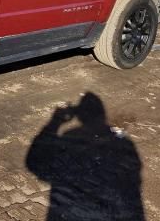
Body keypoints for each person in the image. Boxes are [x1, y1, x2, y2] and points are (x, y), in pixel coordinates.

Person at [26, 92, 145, 221]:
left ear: (80, 115)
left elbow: (35, 163)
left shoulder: (70, 137)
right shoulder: (124, 143)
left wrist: (55, 122)